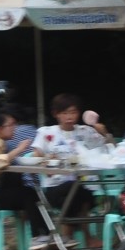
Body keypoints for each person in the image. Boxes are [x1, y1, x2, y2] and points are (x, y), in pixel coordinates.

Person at [32, 93, 113, 221]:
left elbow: (109, 151)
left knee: (79, 193)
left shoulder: (86, 131)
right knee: (75, 191)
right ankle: (83, 236)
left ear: (79, 113)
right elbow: (35, 156)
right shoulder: (46, 132)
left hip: (86, 185)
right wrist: (48, 158)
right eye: (64, 113)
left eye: (73, 112)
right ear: (55, 114)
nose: (69, 117)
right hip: (55, 186)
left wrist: (104, 133)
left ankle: (68, 235)